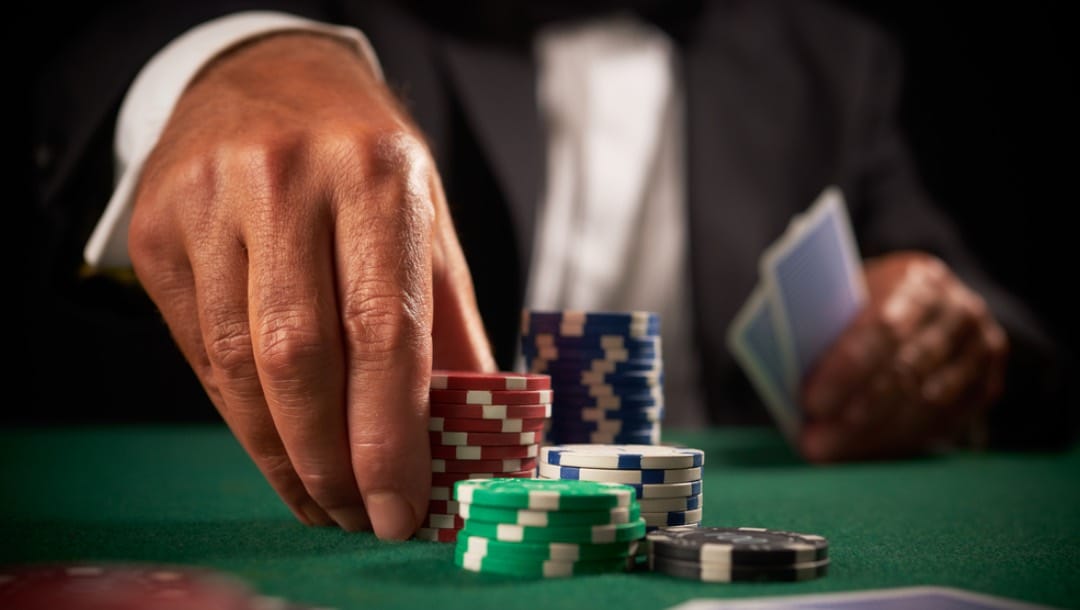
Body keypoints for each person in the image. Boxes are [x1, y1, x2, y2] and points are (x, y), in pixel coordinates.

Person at [22, 0, 1076, 541]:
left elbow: (976, 300)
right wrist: (233, 60)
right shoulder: (368, 12)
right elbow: (118, 34)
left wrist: (945, 332)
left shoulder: (832, 58)